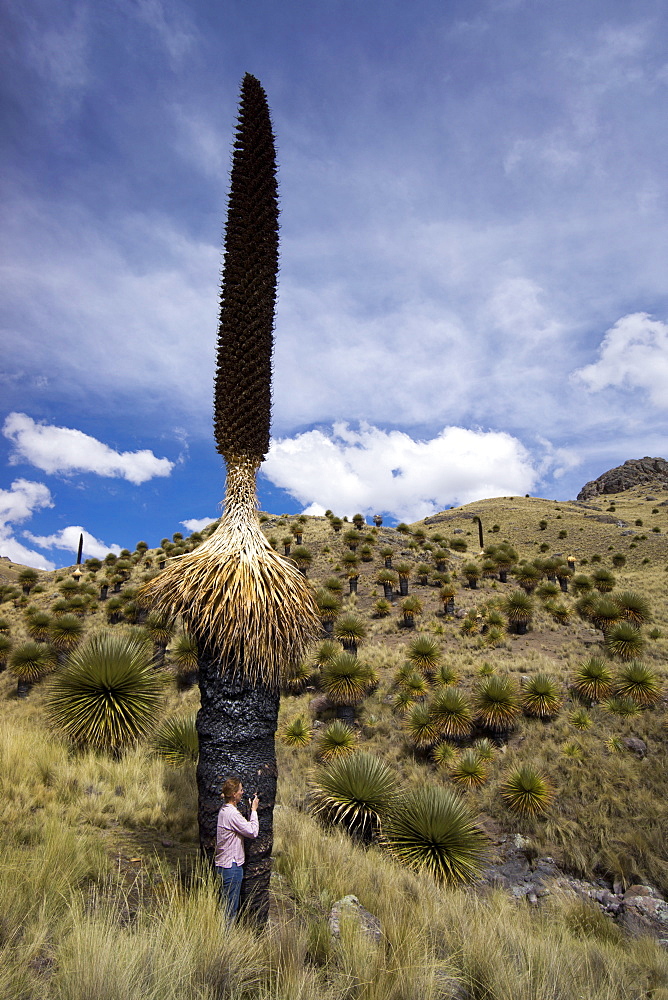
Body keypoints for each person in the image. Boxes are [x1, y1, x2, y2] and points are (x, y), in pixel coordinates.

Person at [215, 778, 259, 919]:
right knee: (230, 910)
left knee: (224, 905)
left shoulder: (223, 810)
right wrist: (254, 811)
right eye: (240, 790)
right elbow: (252, 832)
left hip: (222, 865)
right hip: (231, 867)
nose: (242, 792)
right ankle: (226, 939)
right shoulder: (232, 814)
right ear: (234, 794)